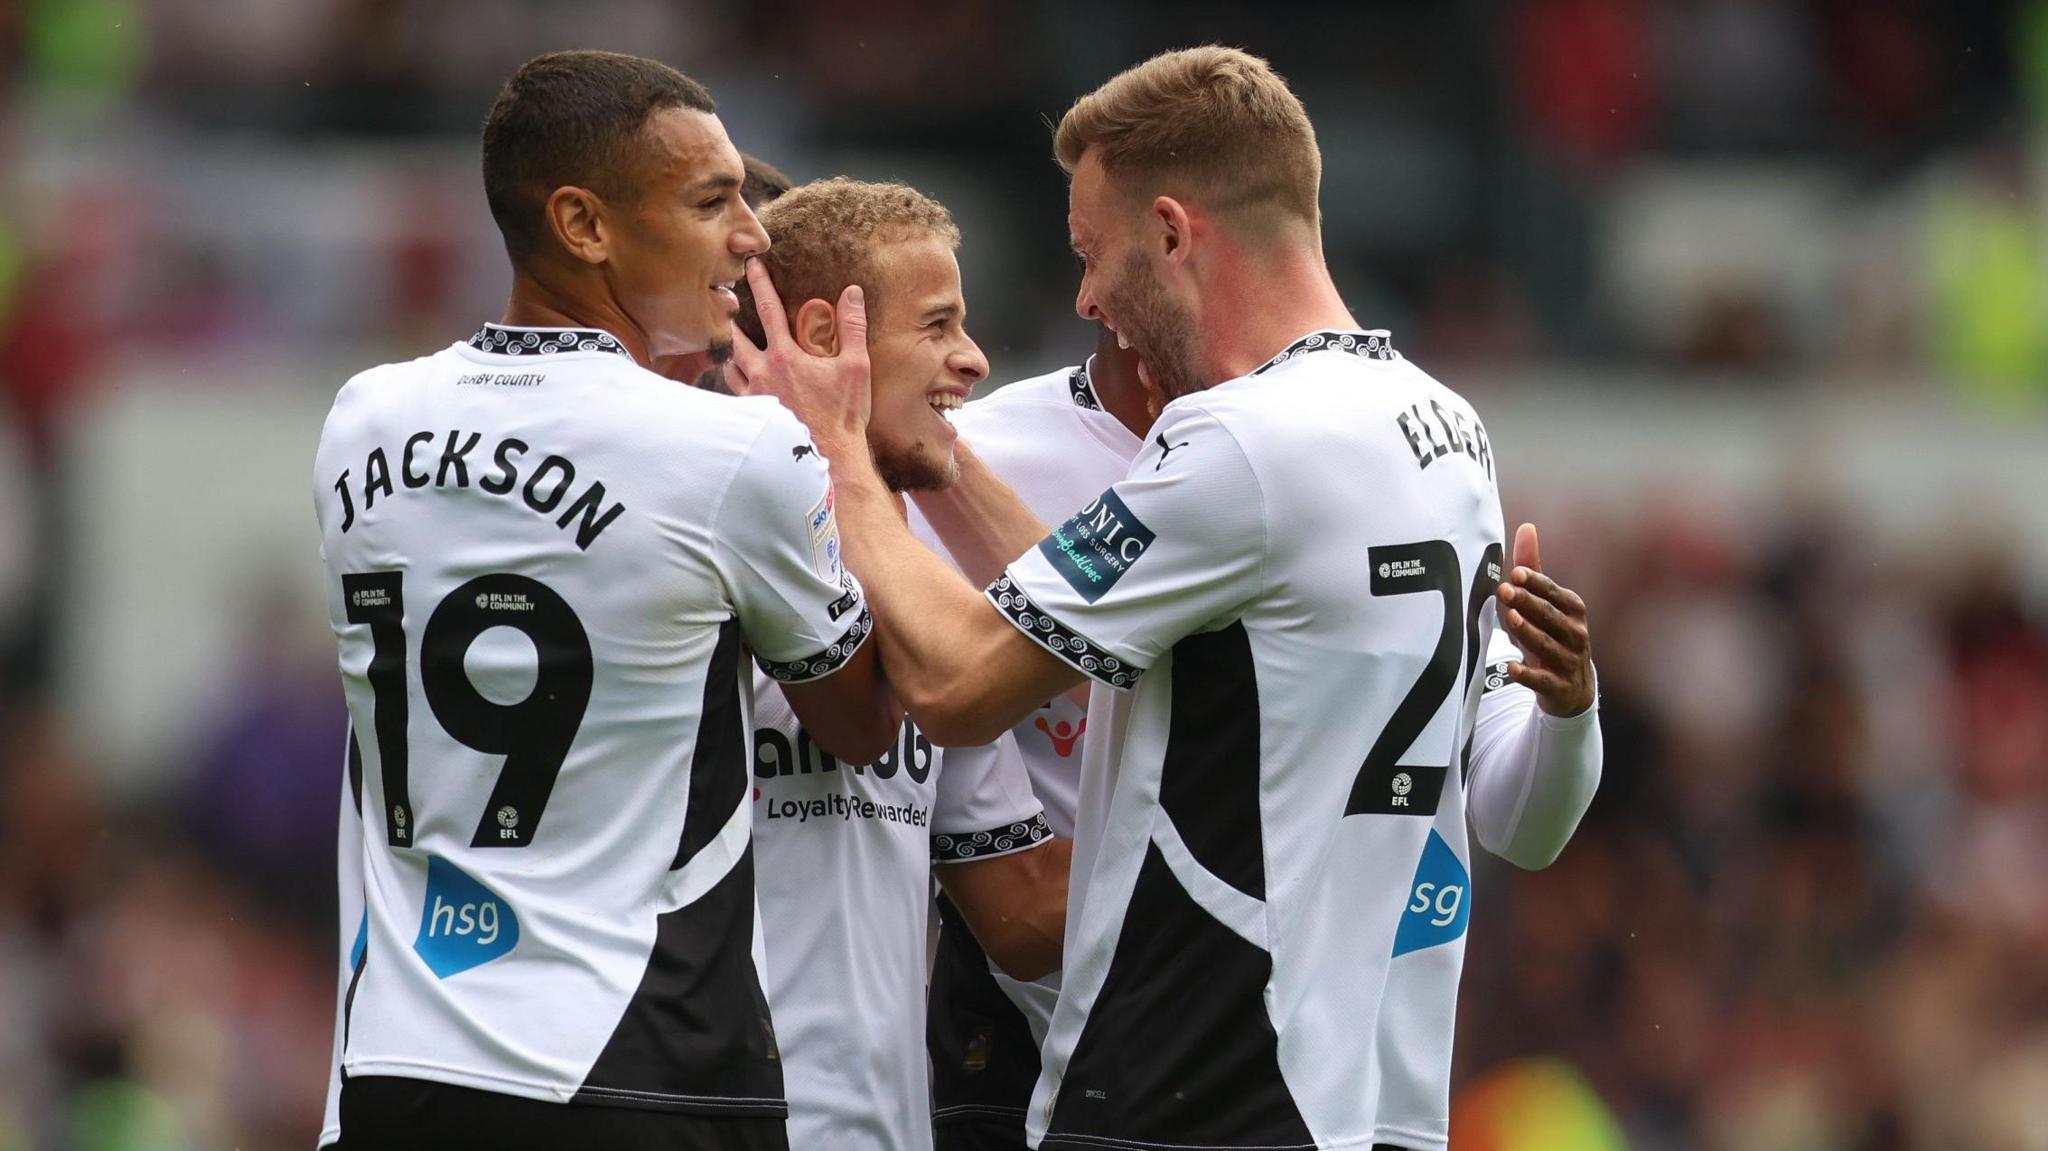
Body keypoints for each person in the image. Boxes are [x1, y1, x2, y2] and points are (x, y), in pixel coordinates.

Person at [732, 45, 1573, 1151]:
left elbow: (956, 682)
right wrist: (936, 464)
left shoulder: (1233, 441)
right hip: (1372, 1093)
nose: (1082, 294)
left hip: (1195, 1084)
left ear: (1172, 234)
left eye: (1092, 253)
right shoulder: (1442, 426)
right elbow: (1117, 624)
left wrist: (841, 454)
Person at [312, 50, 895, 1151]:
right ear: (583, 224)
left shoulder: (362, 417)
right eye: (711, 200)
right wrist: (840, 459)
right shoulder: (732, 449)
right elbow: (863, 719)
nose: (753, 234)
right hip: (638, 1066)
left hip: (394, 1062)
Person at [921, 328, 1603, 1151]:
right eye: (933, 322)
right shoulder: (990, 449)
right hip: (1093, 1062)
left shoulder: (1366, 458)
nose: (969, 352)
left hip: (1345, 1071)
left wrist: (1569, 711)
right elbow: (1013, 895)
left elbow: (1523, 825)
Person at [732, 176, 1069, 1151]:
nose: (972, 357)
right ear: (824, 335)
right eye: (938, 324)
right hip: (705, 1117)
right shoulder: (698, 539)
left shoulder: (918, 595)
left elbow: (1020, 910)